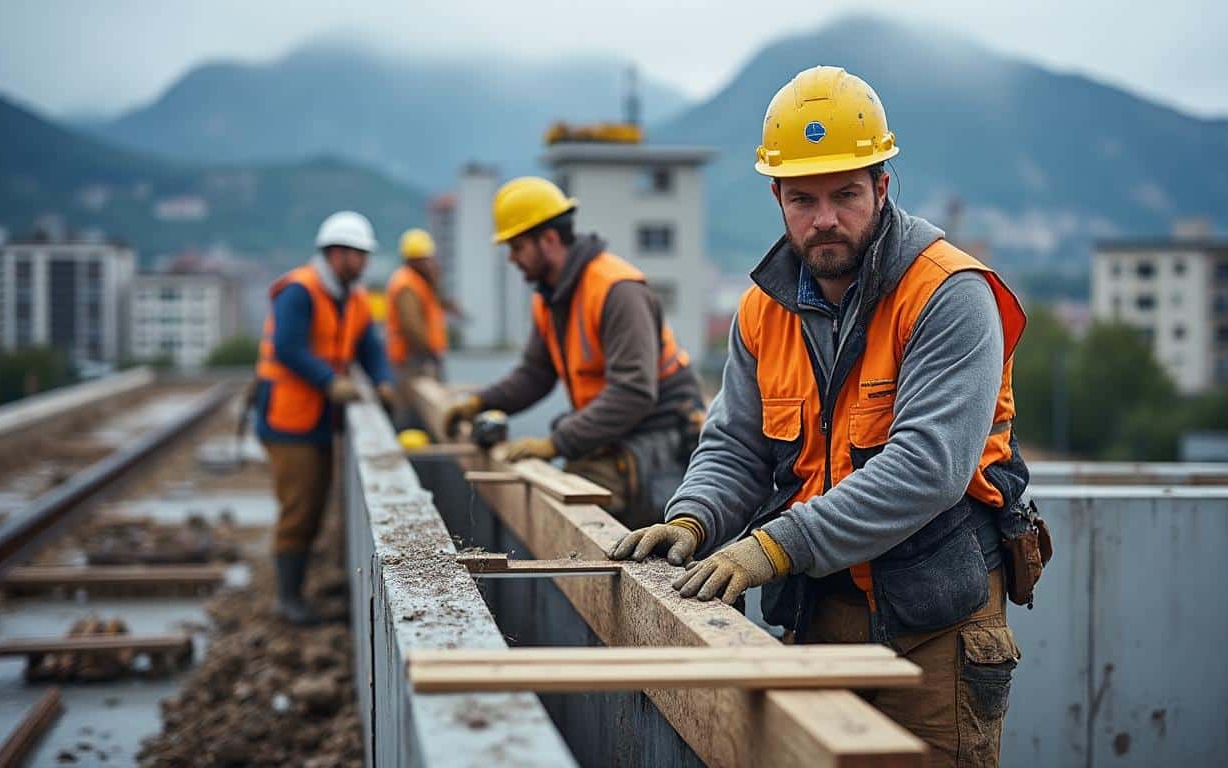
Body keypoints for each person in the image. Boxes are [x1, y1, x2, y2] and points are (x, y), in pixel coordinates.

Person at [609, 66, 1037, 767]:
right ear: (776, 196)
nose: (825, 218)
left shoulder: (948, 293)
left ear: (882, 187)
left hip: (934, 630)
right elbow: (737, 448)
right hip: (817, 619)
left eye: (846, 194)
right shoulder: (762, 308)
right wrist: (692, 520)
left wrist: (772, 547)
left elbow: (928, 468)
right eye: (803, 199)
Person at [443, 176, 704, 529]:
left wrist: (556, 443)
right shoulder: (551, 299)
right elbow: (535, 374)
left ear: (548, 240)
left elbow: (633, 393)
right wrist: (480, 402)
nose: (512, 258)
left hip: (658, 437)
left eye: (517, 246)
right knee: (566, 497)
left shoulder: (616, 290)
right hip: (613, 433)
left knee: (577, 509)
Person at [253, 210, 393, 625]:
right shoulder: (300, 291)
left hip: (316, 418)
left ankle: (297, 590)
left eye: (366, 256)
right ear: (335, 254)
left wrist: (383, 381)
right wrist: (329, 382)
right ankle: (287, 599)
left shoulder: (354, 297)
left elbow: (370, 347)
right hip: (289, 418)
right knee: (300, 506)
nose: (364, 263)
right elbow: (288, 348)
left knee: (314, 501)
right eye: (358, 255)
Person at [386, 228, 450, 429]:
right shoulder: (407, 284)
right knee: (413, 414)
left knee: (424, 411)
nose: (429, 263)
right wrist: (428, 355)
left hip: (417, 359)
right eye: (424, 259)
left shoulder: (418, 282)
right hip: (412, 362)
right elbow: (411, 326)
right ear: (413, 261)